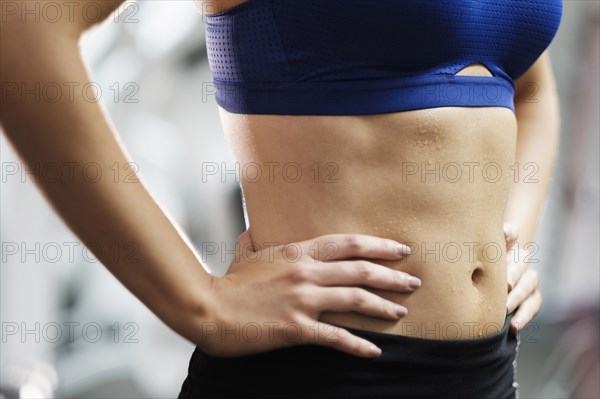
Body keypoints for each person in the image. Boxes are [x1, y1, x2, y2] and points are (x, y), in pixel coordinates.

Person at [0, 0, 561, 398]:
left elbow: (529, 87)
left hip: (485, 372)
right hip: (321, 369)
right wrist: (203, 305)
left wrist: (513, 239)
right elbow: (22, 29)